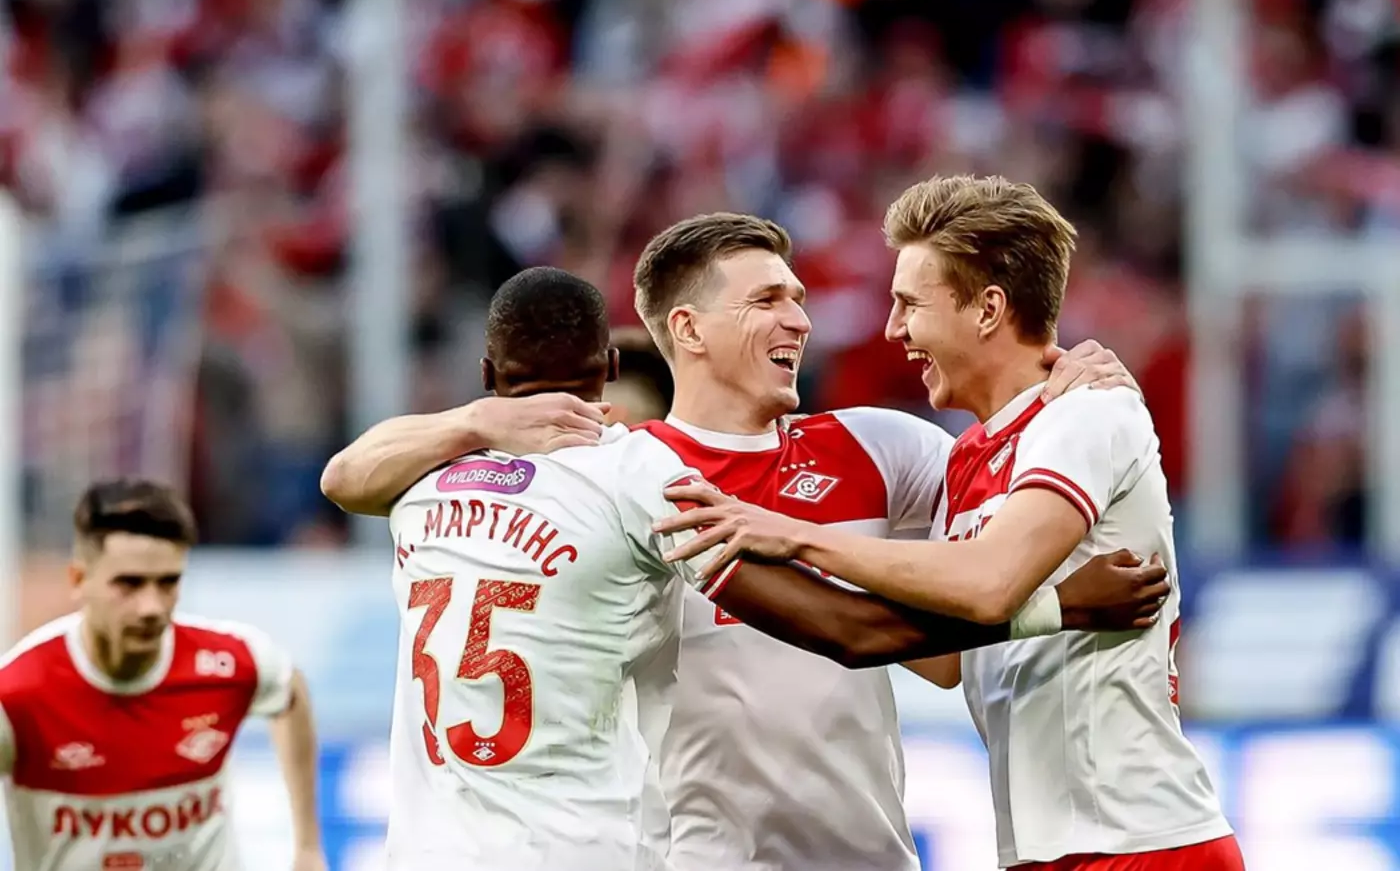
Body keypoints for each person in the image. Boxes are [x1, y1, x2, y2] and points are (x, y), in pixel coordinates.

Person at [321, 213, 1152, 871]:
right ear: (686, 329)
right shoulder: (633, 482)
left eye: (797, 297)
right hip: (695, 858)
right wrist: (1059, 608)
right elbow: (854, 630)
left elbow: (952, 632)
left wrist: (1065, 383)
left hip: (865, 855)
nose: (800, 317)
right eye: (766, 300)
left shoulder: (884, 448)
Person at [658, 176, 1243, 871]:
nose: (893, 329)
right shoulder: (967, 458)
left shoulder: (1086, 415)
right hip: (1050, 847)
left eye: (910, 304)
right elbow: (939, 655)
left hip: (1140, 839)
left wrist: (795, 534)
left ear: (988, 308)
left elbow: (990, 584)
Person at [0, 479, 325, 871]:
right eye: (129, 583)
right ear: (78, 580)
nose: (152, 607)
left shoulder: (230, 662)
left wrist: (308, 847)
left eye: (168, 582)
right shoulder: (18, 695)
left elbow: (290, 692)